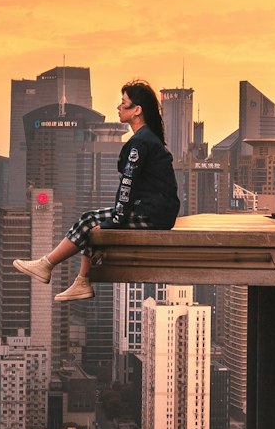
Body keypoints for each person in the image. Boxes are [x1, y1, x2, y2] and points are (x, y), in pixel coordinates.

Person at [12, 78, 179, 301]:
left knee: (90, 220)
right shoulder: (146, 138)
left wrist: (115, 220)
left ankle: (47, 265)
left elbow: (127, 184)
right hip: (155, 211)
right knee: (91, 222)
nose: (118, 107)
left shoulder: (141, 142)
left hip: (152, 214)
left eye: (123, 103)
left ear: (137, 110)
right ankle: (81, 281)